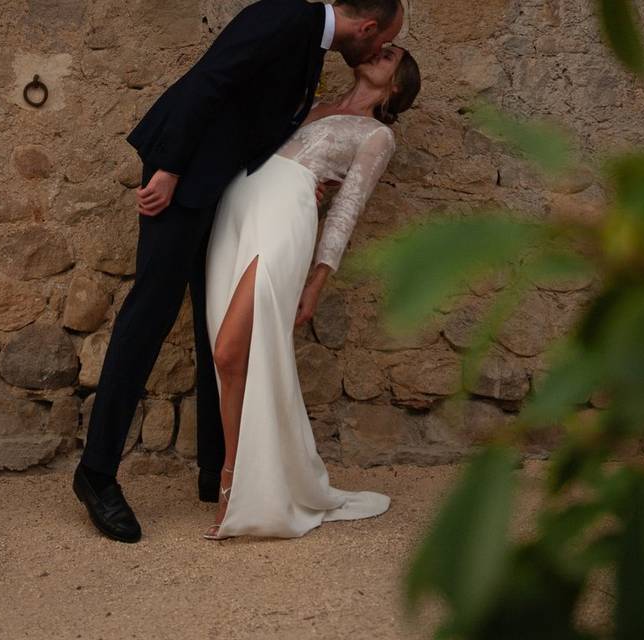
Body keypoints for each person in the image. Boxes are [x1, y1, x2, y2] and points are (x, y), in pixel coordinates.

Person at [72, 0, 406, 544]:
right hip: (183, 175)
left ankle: (215, 468)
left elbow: (260, 117)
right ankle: (96, 473)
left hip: (223, 188)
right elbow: (212, 79)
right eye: (379, 42)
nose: (374, 53)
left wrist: (299, 175)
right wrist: (171, 168)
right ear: (366, 27)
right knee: (149, 315)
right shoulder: (288, 16)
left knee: (213, 324)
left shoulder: (315, 51)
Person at [202, 43, 421, 540]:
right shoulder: (312, 104)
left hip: (284, 217)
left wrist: (317, 281)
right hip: (239, 202)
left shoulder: (377, 135)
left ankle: (234, 480)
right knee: (228, 360)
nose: (378, 52)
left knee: (231, 345)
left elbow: (347, 210)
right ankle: (238, 482)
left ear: (396, 87)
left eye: (390, 56)